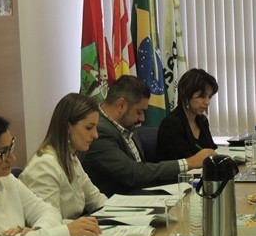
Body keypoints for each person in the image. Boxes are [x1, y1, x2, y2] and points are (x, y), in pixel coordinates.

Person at [81, 75, 215, 196]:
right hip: (117, 204)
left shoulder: (126, 125)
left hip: (141, 196)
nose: (143, 118)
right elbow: (133, 173)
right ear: (121, 105)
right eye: (139, 112)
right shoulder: (98, 132)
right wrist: (189, 162)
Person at [21, 93, 108, 220]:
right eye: (89, 128)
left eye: (95, 128)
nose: (95, 135)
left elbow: (96, 199)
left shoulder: (70, 157)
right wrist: (84, 224)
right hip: (58, 232)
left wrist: (124, 214)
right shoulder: (44, 165)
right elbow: (48, 223)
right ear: (67, 127)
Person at [157, 68, 219, 161]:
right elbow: (184, 162)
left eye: (209, 97)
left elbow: (211, 149)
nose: (207, 102)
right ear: (186, 95)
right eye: (202, 96)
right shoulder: (170, 124)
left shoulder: (202, 120)